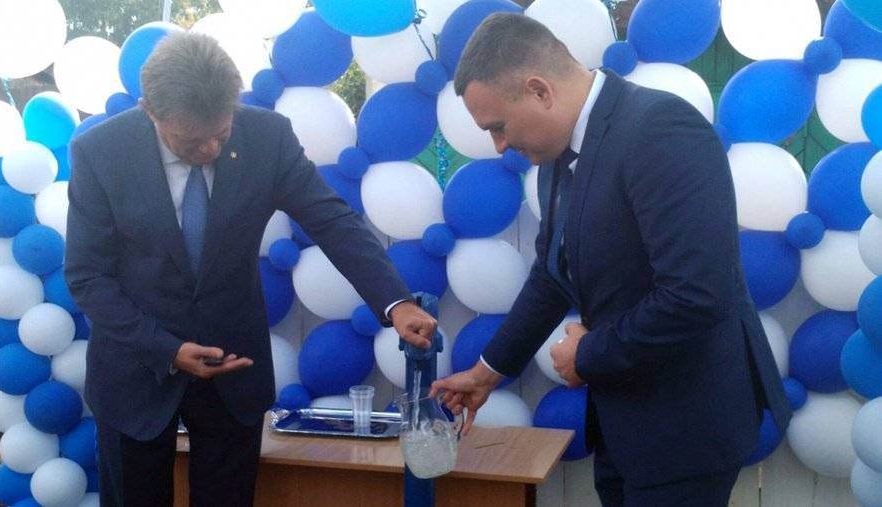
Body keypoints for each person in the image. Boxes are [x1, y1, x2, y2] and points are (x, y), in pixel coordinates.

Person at [430, 13, 791, 507]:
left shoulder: (661, 129)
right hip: (622, 423)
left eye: (498, 126)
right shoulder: (556, 156)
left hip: (684, 431)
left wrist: (588, 355)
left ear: (539, 91)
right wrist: (486, 372)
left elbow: (697, 294)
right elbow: (552, 275)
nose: (499, 145)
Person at [64, 32, 436, 507]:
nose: (211, 149)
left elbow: (331, 221)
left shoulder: (267, 137)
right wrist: (167, 349)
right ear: (149, 110)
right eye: (192, 141)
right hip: (134, 371)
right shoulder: (100, 152)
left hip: (232, 372)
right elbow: (87, 275)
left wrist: (396, 301)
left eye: (221, 133)